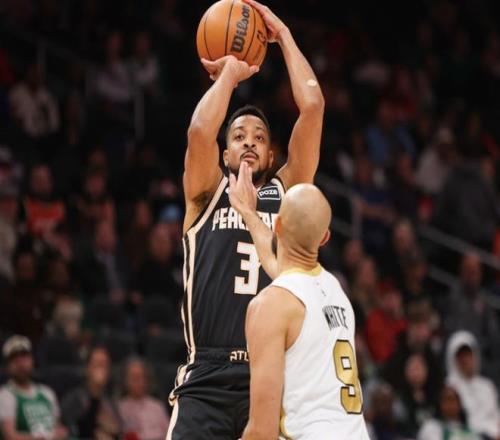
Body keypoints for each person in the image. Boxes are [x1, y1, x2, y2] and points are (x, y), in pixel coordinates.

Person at [167, 0, 324, 437]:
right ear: (225, 154)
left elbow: (313, 106)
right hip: (207, 375)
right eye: (238, 137)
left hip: (270, 376)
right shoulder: (206, 191)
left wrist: (284, 36)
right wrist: (230, 75)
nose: (250, 142)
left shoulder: (286, 194)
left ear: (271, 156)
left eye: (259, 137)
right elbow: (199, 131)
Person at [230, 181, 368, 439]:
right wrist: (248, 212)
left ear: (277, 224)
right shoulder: (336, 291)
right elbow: (282, 268)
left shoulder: (269, 306)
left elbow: (262, 432)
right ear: (325, 238)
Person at [0, 335, 68, 440]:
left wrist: (62, 433)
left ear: (32, 360)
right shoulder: (5, 395)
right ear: (7, 366)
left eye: (24, 356)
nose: (20, 364)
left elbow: (57, 427)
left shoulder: (47, 392)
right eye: (14, 359)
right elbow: (10, 436)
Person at [445, 331, 500, 440]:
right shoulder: (449, 388)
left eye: (469, 354)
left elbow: (496, 415)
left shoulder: (487, 386)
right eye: (461, 356)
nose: (466, 360)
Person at [61, 346, 122, 439]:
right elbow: (74, 430)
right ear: (87, 369)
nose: (102, 370)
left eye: (105, 365)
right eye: (98, 365)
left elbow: (118, 431)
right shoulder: (74, 398)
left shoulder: (110, 401)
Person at [119, 358, 170, 440]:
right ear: (126, 381)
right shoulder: (120, 409)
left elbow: (170, 434)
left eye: (142, 377)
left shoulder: (157, 407)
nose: (140, 382)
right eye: (135, 378)